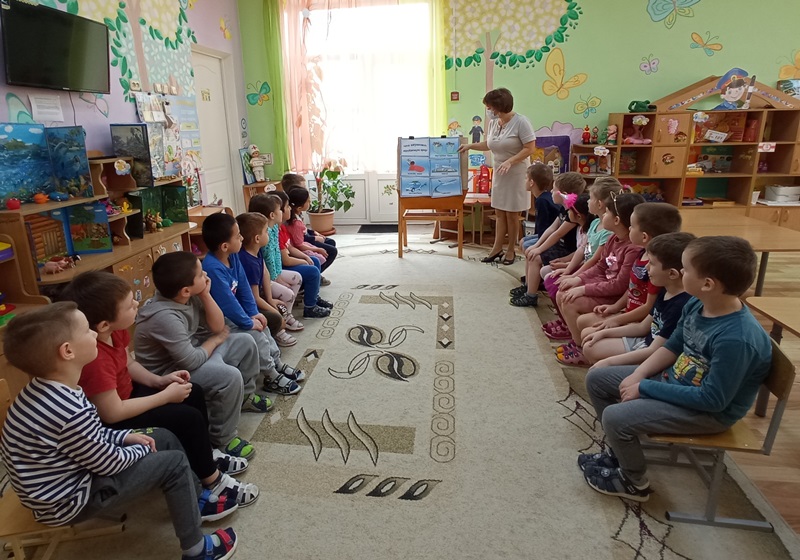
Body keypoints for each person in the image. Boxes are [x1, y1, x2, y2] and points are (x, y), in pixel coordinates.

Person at [0, 303, 240, 560]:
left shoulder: (45, 388)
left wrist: (124, 436)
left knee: (162, 435)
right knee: (174, 463)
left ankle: (195, 500)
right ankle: (197, 549)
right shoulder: (69, 409)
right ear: (67, 351)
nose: (94, 334)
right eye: (86, 331)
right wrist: (138, 449)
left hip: (64, 480)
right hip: (69, 501)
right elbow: (107, 463)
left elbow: (89, 436)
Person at [580, 236, 772, 502]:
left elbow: (713, 400)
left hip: (707, 412)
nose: (681, 272)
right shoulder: (697, 303)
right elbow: (672, 346)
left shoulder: (737, 339)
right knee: (597, 378)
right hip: (675, 382)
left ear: (707, 284)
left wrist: (644, 386)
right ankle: (619, 451)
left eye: (686, 269)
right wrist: (638, 374)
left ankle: (633, 481)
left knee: (614, 417)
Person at [59, 271, 259, 508]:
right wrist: (164, 397)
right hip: (116, 420)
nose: (137, 304)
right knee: (188, 418)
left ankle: (205, 453)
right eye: (130, 305)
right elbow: (112, 413)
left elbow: (128, 363)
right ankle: (212, 480)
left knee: (192, 391)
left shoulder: (114, 332)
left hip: (128, 396)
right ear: (104, 324)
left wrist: (159, 381)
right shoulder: (95, 360)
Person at [134, 250, 260, 460]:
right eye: (201, 274)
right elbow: (191, 360)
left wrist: (205, 295)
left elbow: (218, 326)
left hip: (194, 353)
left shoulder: (189, 296)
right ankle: (223, 438)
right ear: (185, 290)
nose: (206, 275)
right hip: (171, 372)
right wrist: (213, 342)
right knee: (229, 377)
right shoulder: (164, 317)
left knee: (246, 342)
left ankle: (245, 397)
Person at [562, 202, 683, 366]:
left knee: (589, 337)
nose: (629, 229)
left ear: (644, 236)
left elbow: (647, 309)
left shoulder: (658, 271)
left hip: (637, 321)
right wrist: (615, 307)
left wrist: (618, 319)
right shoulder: (642, 254)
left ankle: (596, 359)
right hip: (630, 314)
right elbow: (632, 287)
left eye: (632, 226)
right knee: (584, 324)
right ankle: (590, 354)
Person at [201, 212, 305, 396]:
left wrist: (253, 313)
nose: (241, 238)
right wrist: (248, 322)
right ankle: (271, 375)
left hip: (236, 315)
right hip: (220, 322)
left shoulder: (233, 256)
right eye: (237, 236)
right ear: (225, 246)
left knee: (262, 324)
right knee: (256, 333)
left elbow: (244, 287)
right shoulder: (212, 267)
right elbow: (227, 303)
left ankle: (276, 363)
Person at [554, 192, 645, 366]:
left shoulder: (632, 249)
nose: (603, 215)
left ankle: (581, 349)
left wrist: (583, 289)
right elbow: (601, 266)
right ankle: (576, 339)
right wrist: (578, 280)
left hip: (615, 295)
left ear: (616, 220)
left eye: (607, 212)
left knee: (570, 301)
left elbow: (619, 285)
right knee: (563, 292)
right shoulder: (613, 238)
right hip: (605, 285)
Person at [583, 232, 695, 366]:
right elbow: (643, 327)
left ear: (672, 273)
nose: (646, 267)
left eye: (651, 263)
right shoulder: (665, 290)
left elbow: (655, 350)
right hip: (646, 342)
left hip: (652, 354)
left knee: (593, 352)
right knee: (590, 339)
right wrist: (605, 333)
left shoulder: (680, 305)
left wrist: (608, 362)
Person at [458, 88, 536, 265]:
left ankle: (511, 250)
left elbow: (530, 148)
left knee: (512, 214)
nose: (488, 110)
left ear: (499, 107)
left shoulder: (521, 122)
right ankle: (496, 248)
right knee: (499, 212)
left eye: (489, 107)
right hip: (500, 173)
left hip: (517, 173)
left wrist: (510, 161)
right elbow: (490, 144)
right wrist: (470, 146)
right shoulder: (494, 123)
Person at [541, 178, 620, 340]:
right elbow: (583, 249)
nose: (587, 200)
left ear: (599, 204)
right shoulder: (595, 223)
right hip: (586, 268)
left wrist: (575, 276)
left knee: (560, 286)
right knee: (552, 279)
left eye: (590, 198)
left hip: (594, 272)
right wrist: (568, 268)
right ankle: (565, 321)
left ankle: (570, 327)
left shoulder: (608, 232)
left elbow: (596, 261)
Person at [510, 172, 586, 304]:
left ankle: (531, 296)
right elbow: (551, 228)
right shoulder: (564, 209)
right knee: (531, 252)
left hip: (568, 250)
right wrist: (536, 246)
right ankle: (528, 286)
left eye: (554, 189)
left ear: (563, 194)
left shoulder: (573, 213)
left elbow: (558, 234)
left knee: (535, 257)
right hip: (561, 246)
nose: (551, 191)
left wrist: (539, 250)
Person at [237, 211, 297, 347]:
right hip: (249, 304)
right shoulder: (248, 263)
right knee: (275, 316)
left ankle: (281, 322)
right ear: (257, 238)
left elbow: (265, 272)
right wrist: (275, 312)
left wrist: (270, 299)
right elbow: (254, 298)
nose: (268, 234)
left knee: (279, 303)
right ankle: (277, 333)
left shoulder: (257, 250)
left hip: (260, 293)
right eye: (266, 231)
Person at [247, 193, 307, 328]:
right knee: (288, 293)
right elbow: (268, 261)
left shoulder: (274, 228)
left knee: (297, 278)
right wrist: (277, 279)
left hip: (275, 272)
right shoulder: (264, 236)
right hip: (268, 278)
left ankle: (287, 313)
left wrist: (279, 275)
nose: (284, 211)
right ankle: (282, 320)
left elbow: (277, 256)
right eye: (280, 209)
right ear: (272, 215)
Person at [272, 190, 332, 318]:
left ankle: (313, 297)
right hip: (282, 266)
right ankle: (310, 308)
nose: (290, 208)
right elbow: (286, 260)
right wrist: (303, 261)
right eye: (287, 206)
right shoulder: (275, 233)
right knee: (312, 271)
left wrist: (305, 257)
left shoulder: (281, 227)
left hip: (287, 260)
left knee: (315, 260)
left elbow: (290, 247)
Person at [281, 172, 338, 282]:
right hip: (302, 242)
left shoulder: (295, 212)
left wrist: (314, 233)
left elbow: (302, 230)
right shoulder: (291, 217)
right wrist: (314, 239)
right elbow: (298, 239)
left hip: (303, 238)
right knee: (331, 250)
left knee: (330, 243)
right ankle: (314, 276)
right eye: (303, 187)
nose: (306, 190)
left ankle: (315, 274)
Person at [518, 163, 558, 252]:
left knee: (526, 245)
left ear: (531, 183)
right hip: (545, 233)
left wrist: (537, 245)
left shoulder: (542, 201)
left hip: (551, 236)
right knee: (523, 241)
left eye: (526, 178)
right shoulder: (544, 197)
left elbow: (543, 226)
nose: (524, 181)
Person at [286, 188, 329, 267]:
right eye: (308, 201)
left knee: (328, 243)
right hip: (300, 246)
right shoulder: (296, 223)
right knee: (322, 256)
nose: (310, 202)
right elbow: (299, 245)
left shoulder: (297, 216)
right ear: (299, 208)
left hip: (301, 242)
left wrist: (314, 233)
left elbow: (304, 231)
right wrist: (317, 248)